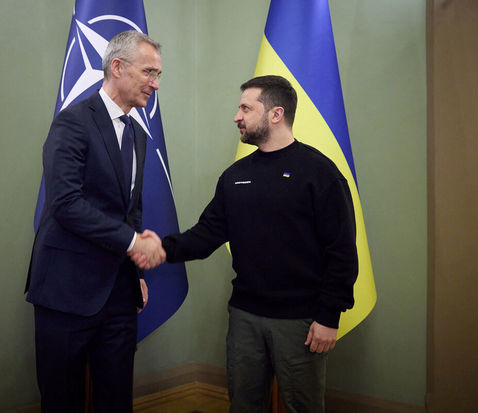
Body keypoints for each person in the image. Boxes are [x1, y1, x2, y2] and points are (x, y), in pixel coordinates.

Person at [132, 75, 358, 413]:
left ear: (276, 114)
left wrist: (329, 316)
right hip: (244, 317)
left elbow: (342, 252)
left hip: (301, 321)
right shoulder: (235, 175)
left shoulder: (320, 173)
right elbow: (207, 234)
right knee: (243, 404)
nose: (237, 116)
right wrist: (162, 248)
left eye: (246, 108)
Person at [25, 30, 166, 413]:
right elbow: (66, 203)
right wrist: (135, 243)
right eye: (149, 72)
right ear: (117, 67)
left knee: (116, 399)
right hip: (66, 290)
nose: (155, 84)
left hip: (119, 293)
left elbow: (130, 209)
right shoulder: (72, 123)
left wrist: (137, 272)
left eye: (158, 75)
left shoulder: (137, 134)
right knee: (62, 400)